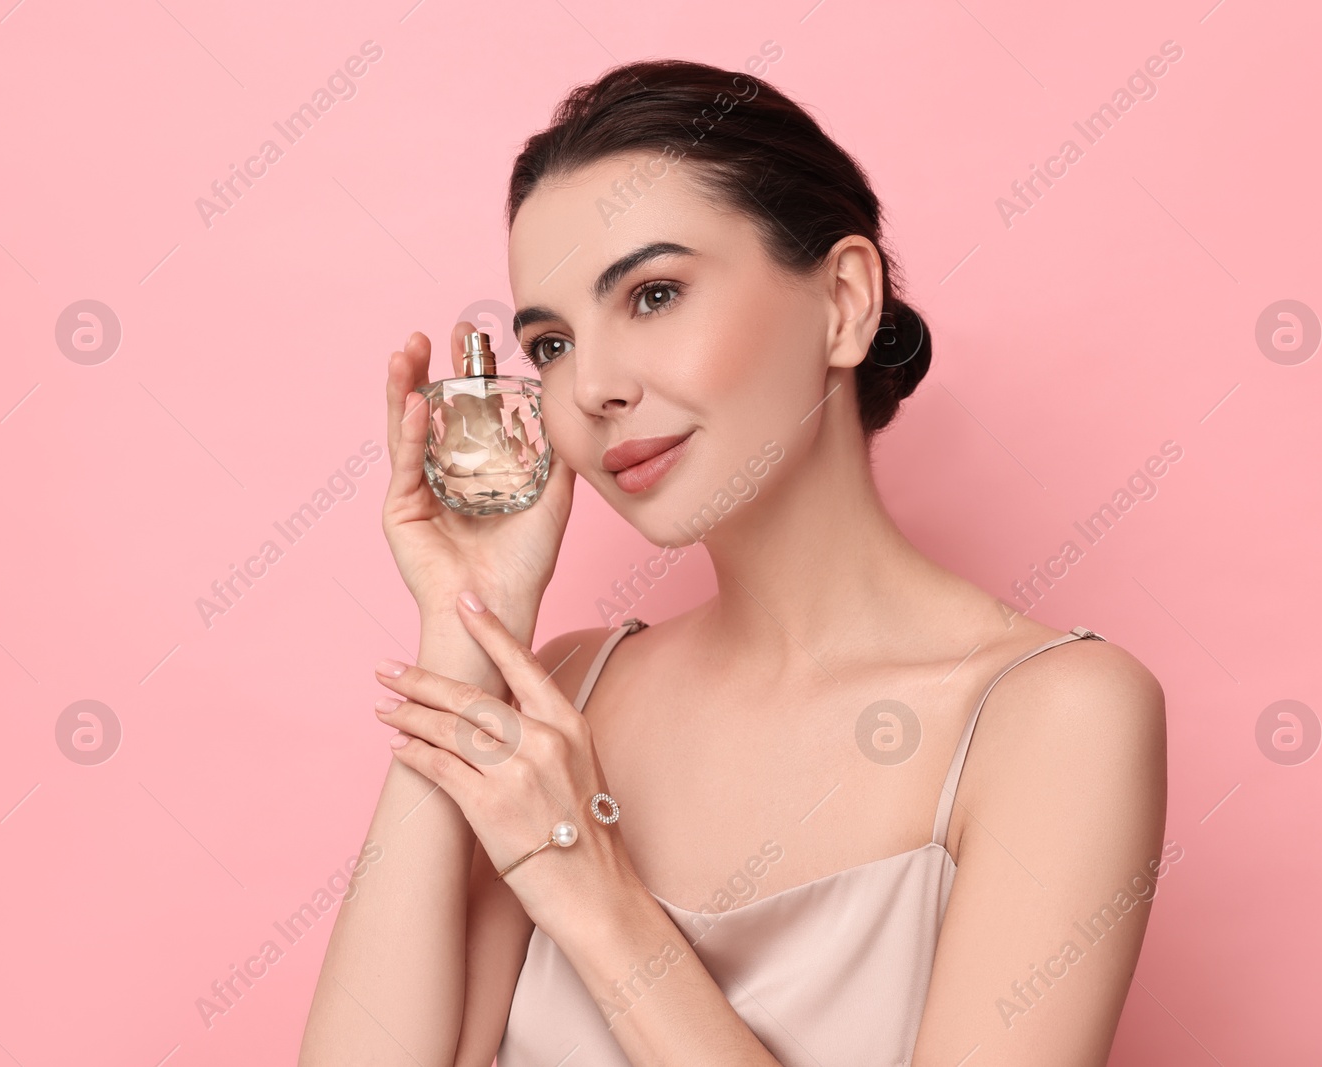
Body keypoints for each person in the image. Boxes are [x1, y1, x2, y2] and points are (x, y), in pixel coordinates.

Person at [299, 58, 1166, 1067]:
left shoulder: (1055, 714)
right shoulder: (565, 692)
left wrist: (588, 884)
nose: (594, 387)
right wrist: (467, 627)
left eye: (654, 293)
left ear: (843, 301)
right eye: (551, 344)